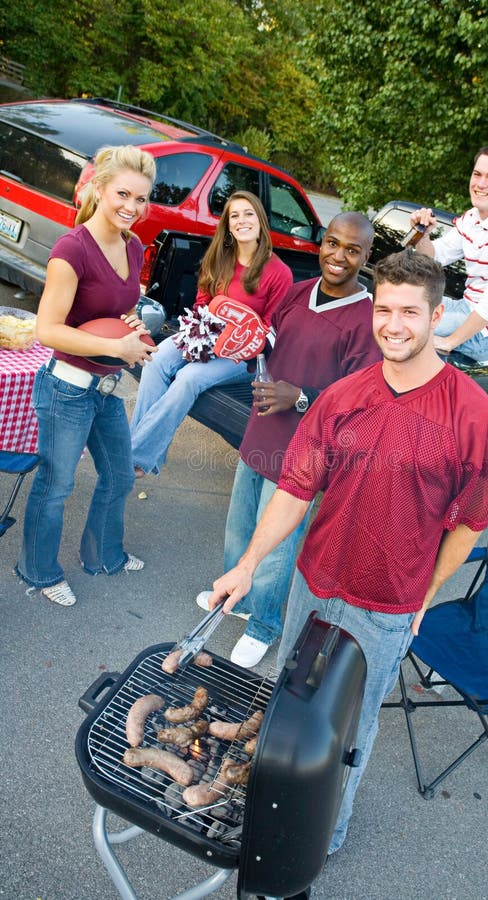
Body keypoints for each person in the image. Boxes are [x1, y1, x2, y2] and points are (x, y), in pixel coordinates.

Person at [206, 250, 488, 853]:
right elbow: (296, 489)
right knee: (287, 702)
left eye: (409, 312)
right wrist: (245, 565)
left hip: (387, 604)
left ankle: (324, 833)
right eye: (383, 309)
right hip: (313, 583)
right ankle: (265, 809)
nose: (392, 325)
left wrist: (426, 597)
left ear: (437, 314)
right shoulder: (342, 396)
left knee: (348, 726)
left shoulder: (479, 420)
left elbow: (469, 523)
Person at [196, 212, 382, 668]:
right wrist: (238, 345)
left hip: (305, 452)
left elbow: (358, 399)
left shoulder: (366, 319)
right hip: (262, 430)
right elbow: (267, 346)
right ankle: (234, 598)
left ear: (367, 255)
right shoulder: (299, 292)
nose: (339, 255)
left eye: (352, 249)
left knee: (276, 541)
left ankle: (263, 624)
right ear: (322, 242)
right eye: (333, 243)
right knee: (240, 525)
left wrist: (300, 398)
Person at [15, 145, 158, 607]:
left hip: (106, 388)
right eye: (123, 194)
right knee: (56, 485)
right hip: (67, 389)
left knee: (119, 476)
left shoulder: (134, 246)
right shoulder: (70, 250)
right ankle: (37, 571)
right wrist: (115, 346)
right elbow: (47, 329)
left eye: (141, 199)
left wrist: (133, 326)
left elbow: (122, 307)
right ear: (98, 189)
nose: (132, 208)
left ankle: (102, 556)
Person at [129, 191, 293, 476]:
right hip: (204, 338)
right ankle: (142, 454)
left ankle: (135, 457)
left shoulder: (279, 272)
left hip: (242, 357)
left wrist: (234, 342)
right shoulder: (219, 257)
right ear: (228, 225)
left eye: (248, 214)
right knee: (155, 362)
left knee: (187, 378)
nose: (242, 221)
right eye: (234, 216)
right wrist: (202, 338)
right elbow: (202, 304)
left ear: (261, 220)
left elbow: (271, 329)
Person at [410, 142, 488, 361]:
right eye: (477, 174)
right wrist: (422, 235)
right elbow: (435, 257)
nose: (480, 183)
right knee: (394, 305)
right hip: (465, 307)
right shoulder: (472, 218)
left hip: (487, 334)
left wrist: (448, 342)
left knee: (405, 327)